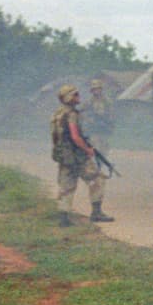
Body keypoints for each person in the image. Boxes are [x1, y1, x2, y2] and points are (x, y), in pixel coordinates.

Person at [50, 84, 112, 226]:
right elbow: (75, 136)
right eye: (75, 94)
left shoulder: (58, 113)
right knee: (97, 179)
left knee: (66, 186)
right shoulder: (71, 114)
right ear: (69, 97)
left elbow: (56, 136)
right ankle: (96, 213)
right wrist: (88, 149)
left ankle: (63, 218)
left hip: (65, 155)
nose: (78, 97)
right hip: (78, 155)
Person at [81, 78, 116, 152]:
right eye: (94, 89)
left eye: (98, 89)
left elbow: (111, 113)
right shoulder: (89, 101)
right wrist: (88, 120)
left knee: (104, 145)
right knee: (94, 144)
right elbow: (82, 112)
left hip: (104, 126)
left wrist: (110, 122)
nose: (96, 91)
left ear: (101, 89)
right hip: (93, 126)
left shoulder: (107, 101)